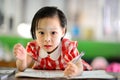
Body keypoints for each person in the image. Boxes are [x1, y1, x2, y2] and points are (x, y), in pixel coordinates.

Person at [13, 6, 92, 77]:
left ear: (63, 32)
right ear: (35, 32)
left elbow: (79, 66)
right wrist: (22, 59)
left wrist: (76, 71)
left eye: (53, 33)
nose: (47, 39)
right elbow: (21, 67)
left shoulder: (68, 47)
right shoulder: (34, 47)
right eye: (41, 33)